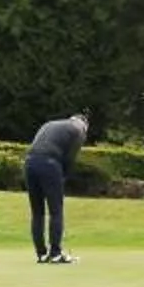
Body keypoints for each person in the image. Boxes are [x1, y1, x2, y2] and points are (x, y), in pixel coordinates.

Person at [25, 112, 90, 264]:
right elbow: (69, 158)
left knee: (37, 212)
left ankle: (41, 254)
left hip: (29, 162)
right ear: (85, 125)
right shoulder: (78, 129)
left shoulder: (51, 123)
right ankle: (55, 254)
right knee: (56, 211)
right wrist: (63, 178)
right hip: (49, 163)